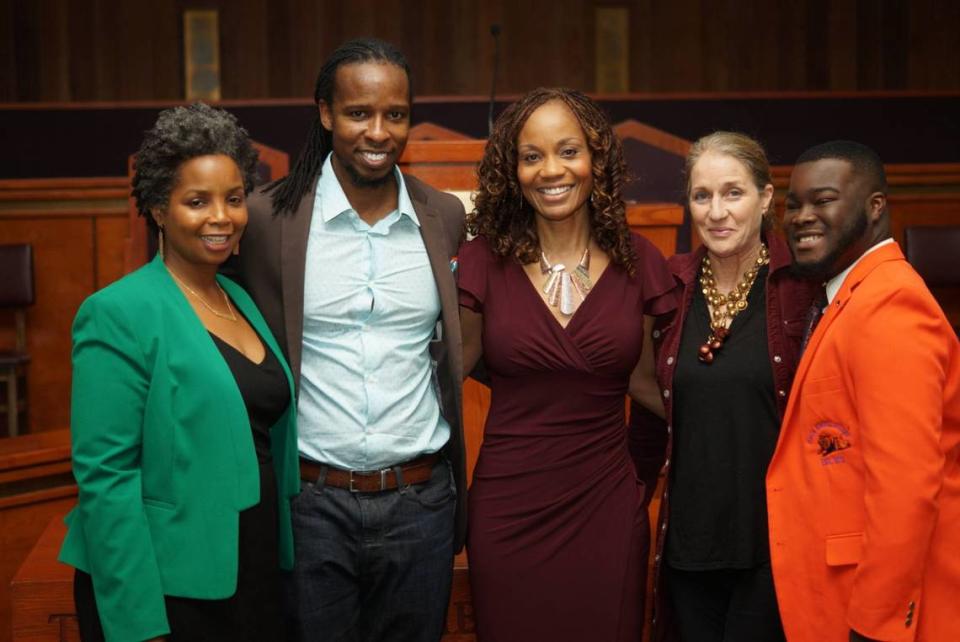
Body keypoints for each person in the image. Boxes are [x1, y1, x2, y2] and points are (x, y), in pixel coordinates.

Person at [227, 38, 466, 642]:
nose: (379, 132)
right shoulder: (265, 219)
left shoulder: (443, 217)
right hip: (310, 502)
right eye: (359, 113)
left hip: (421, 500)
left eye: (396, 114)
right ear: (326, 113)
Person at [58, 103, 299, 641]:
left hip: (251, 567)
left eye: (234, 199)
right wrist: (140, 627)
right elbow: (106, 479)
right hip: (170, 588)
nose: (222, 216)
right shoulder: (119, 312)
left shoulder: (237, 296)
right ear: (159, 209)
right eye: (197, 201)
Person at [458, 87, 675, 642]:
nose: (551, 170)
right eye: (532, 156)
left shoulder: (639, 260)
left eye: (568, 151)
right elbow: (440, 375)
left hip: (605, 505)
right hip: (508, 512)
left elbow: (654, 387)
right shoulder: (481, 261)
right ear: (513, 169)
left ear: (596, 159)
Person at [628, 131, 821, 642]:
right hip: (689, 545)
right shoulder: (669, 288)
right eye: (702, 195)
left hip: (773, 546)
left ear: (765, 198)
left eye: (733, 193)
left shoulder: (803, 288)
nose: (717, 211)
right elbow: (651, 402)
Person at [769, 140, 960, 642]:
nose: (803, 217)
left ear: (876, 207)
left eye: (824, 200)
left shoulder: (891, 304)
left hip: (875, 613)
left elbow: (906, 486)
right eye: (794, 205)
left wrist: (877, 625)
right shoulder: (847, 295)